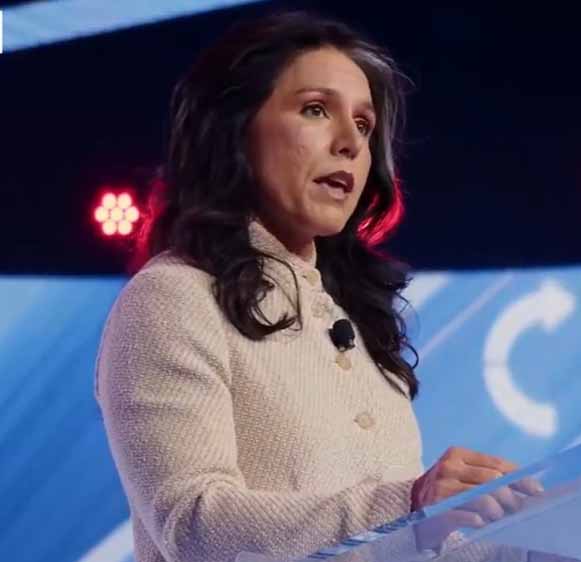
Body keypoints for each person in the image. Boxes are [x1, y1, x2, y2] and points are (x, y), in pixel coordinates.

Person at [95, 10, 545, 562]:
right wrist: (410, 506)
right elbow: (192, 524)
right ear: (234, 129)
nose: (350, 143)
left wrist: (546, 544)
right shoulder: (172, 299)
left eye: (364, 125)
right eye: (315, 109)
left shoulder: (353, 320)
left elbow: (399, 547)